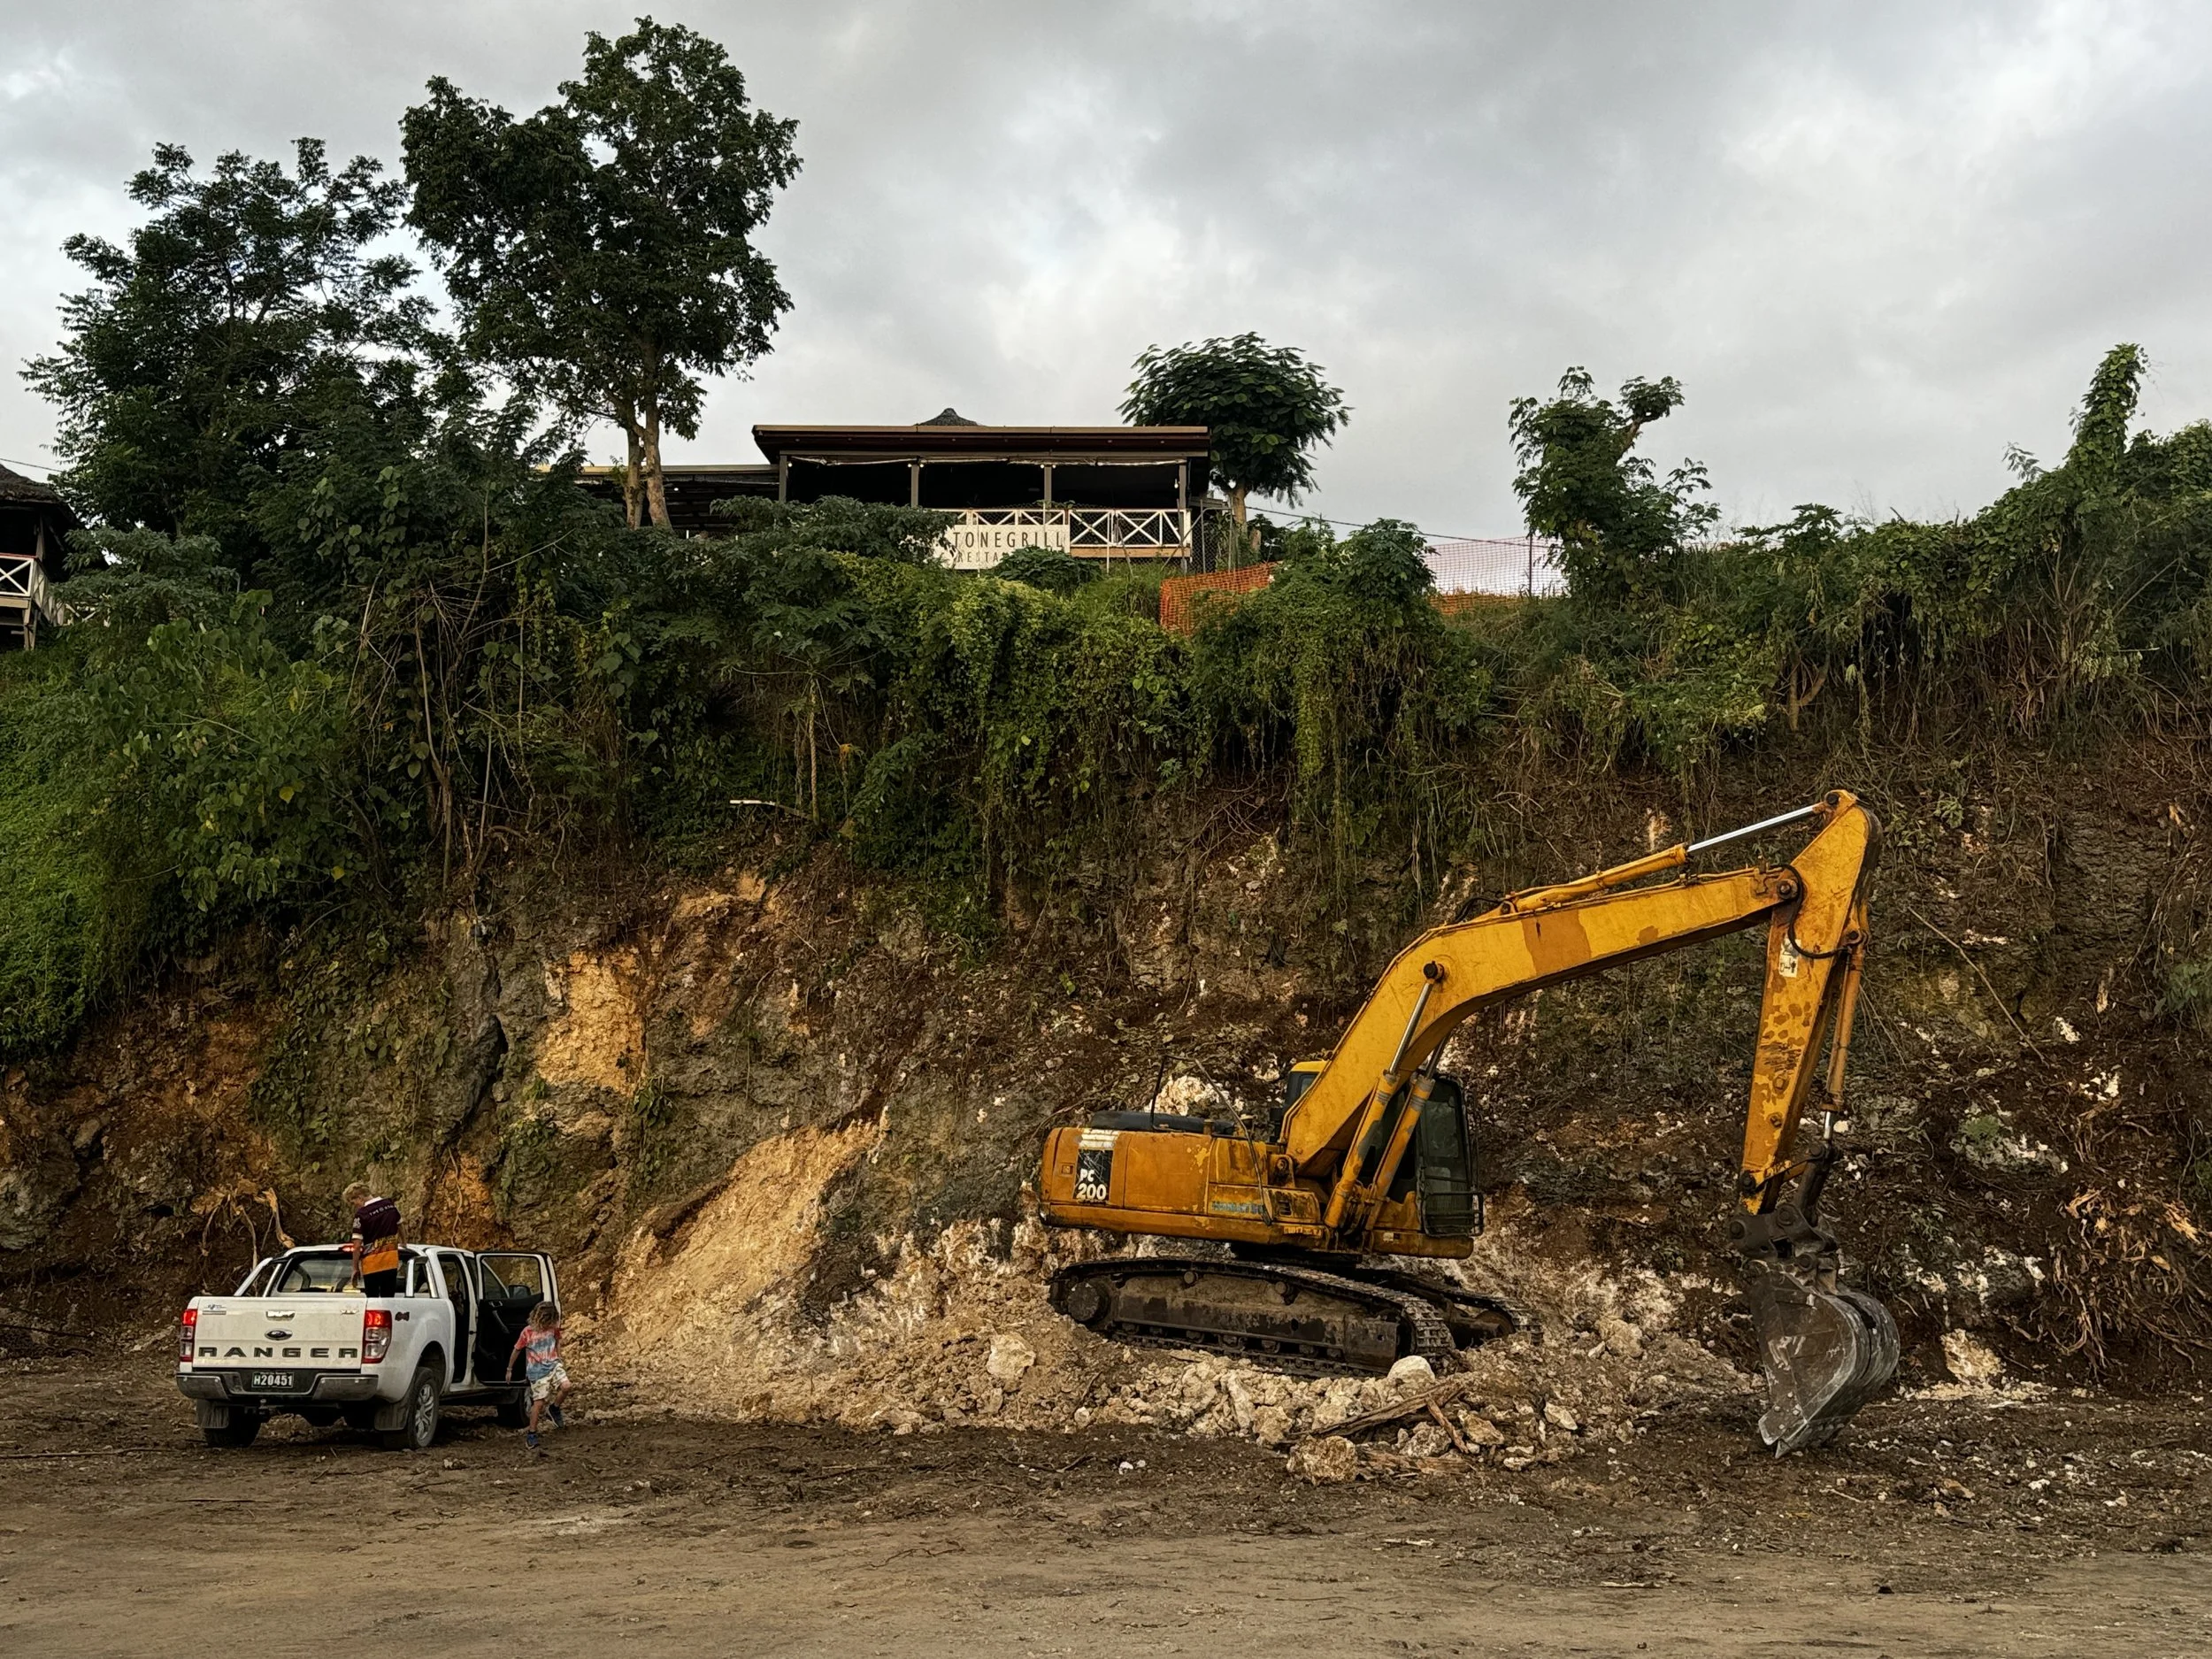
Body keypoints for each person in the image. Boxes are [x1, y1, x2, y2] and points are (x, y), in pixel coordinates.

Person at [507, 1300, 571, 1449]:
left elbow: (557, 1341)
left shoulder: (553, 1329)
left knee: (567, 1386)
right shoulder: (527, 1332)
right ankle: (532, 1433)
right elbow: (517, 1350)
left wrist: (559, 1357)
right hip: (537, 1370)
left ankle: (554, 1409)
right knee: (539, 1402)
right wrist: (509, 1369)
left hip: (553, 1364)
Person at [342, 1182, 403, 1297]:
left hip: (372, 1265)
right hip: (391, 1262)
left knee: (372, 1300)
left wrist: (355, 1268)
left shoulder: (361, 1214)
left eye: (353, 1202)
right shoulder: (389, 1205)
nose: (355, 1205)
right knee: (388, 1298)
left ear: (359, 1198)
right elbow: (400, 1224)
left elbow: (357, 1245)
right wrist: (404, 1242)